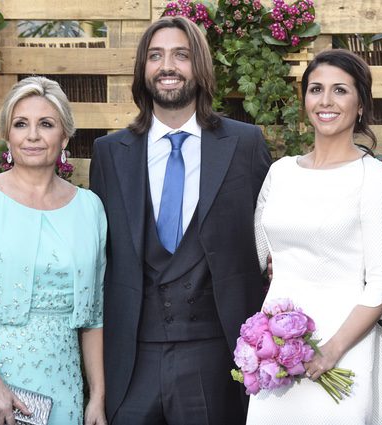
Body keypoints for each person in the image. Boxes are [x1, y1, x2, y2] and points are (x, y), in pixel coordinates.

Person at [89, 16, 271, 425]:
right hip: (132, 358)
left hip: (218, 357)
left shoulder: (245, 145)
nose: (167, 66)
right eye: (155, 56)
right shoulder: (108, 153)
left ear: (200, 67)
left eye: (180, 55)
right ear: (142, 69)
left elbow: (273, 233)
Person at [0, 76, 108, 425]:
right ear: (8, 136)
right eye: (20, 124)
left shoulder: (90, 208)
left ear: (65, 135)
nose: (32, 135)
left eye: (46, 124)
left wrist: (98, 397)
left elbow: (94, 315)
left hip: (59, 385)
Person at [247, 49, 382, 425]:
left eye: (340, 90)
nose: (326, 101)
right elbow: (260, 251)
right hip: (276, 350)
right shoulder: (281, 172)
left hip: (343, 346)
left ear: (361, 105)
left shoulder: (373, 178)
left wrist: (330, 352)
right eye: (316, 89)